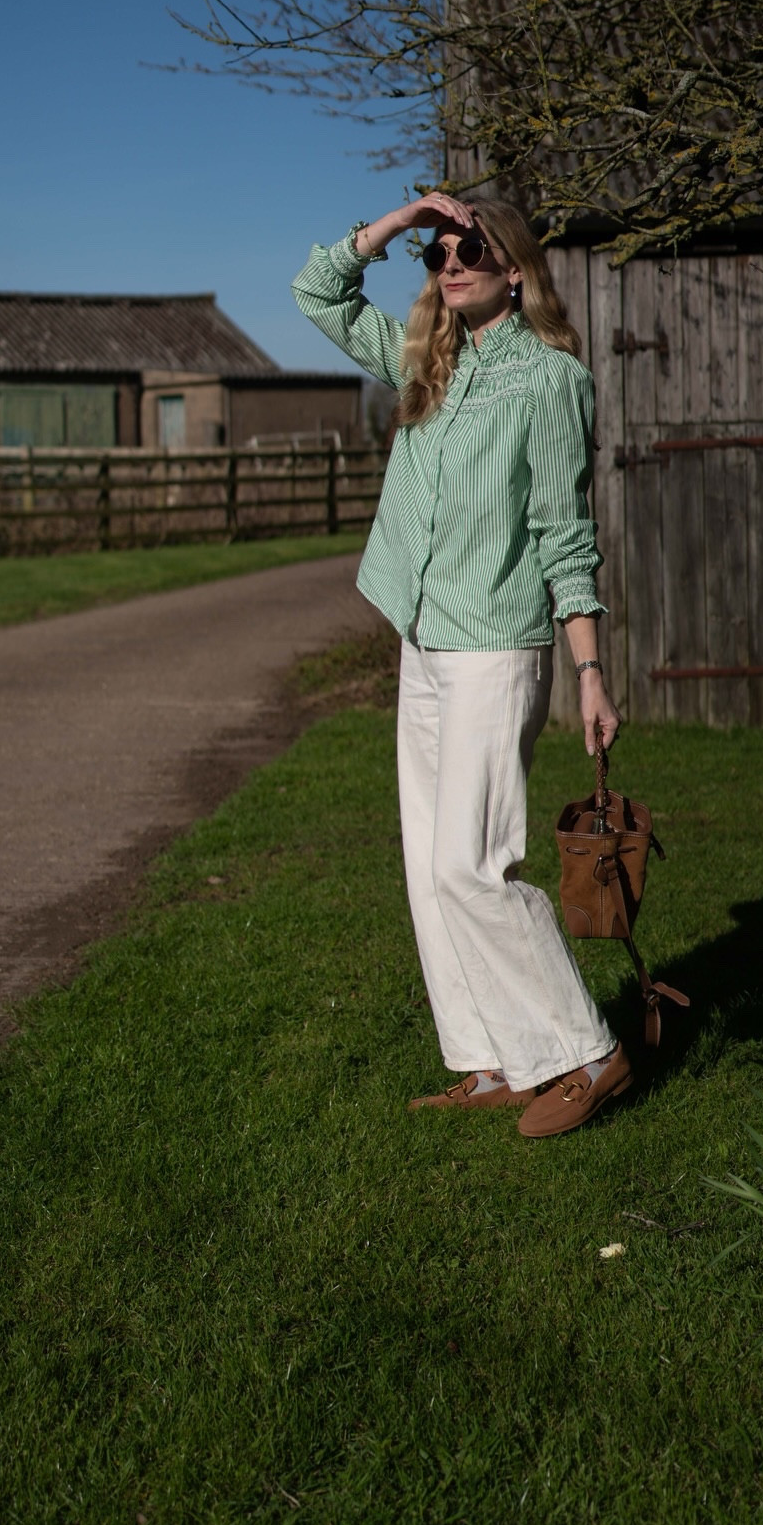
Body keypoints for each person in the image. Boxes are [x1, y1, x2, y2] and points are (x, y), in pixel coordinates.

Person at [292, 192, 630, 1139]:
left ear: (515, 268)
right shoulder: (425, 367)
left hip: (495, 646)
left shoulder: (550, 382)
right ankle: (490, 1060)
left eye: (470, 245)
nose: (450, 258)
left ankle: (586, 1051)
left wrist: (591, 670)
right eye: (437, 249)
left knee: (470, 868)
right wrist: (397, 220)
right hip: (426, 639)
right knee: (424, 865)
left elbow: (567, 536)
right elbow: (317, 292)